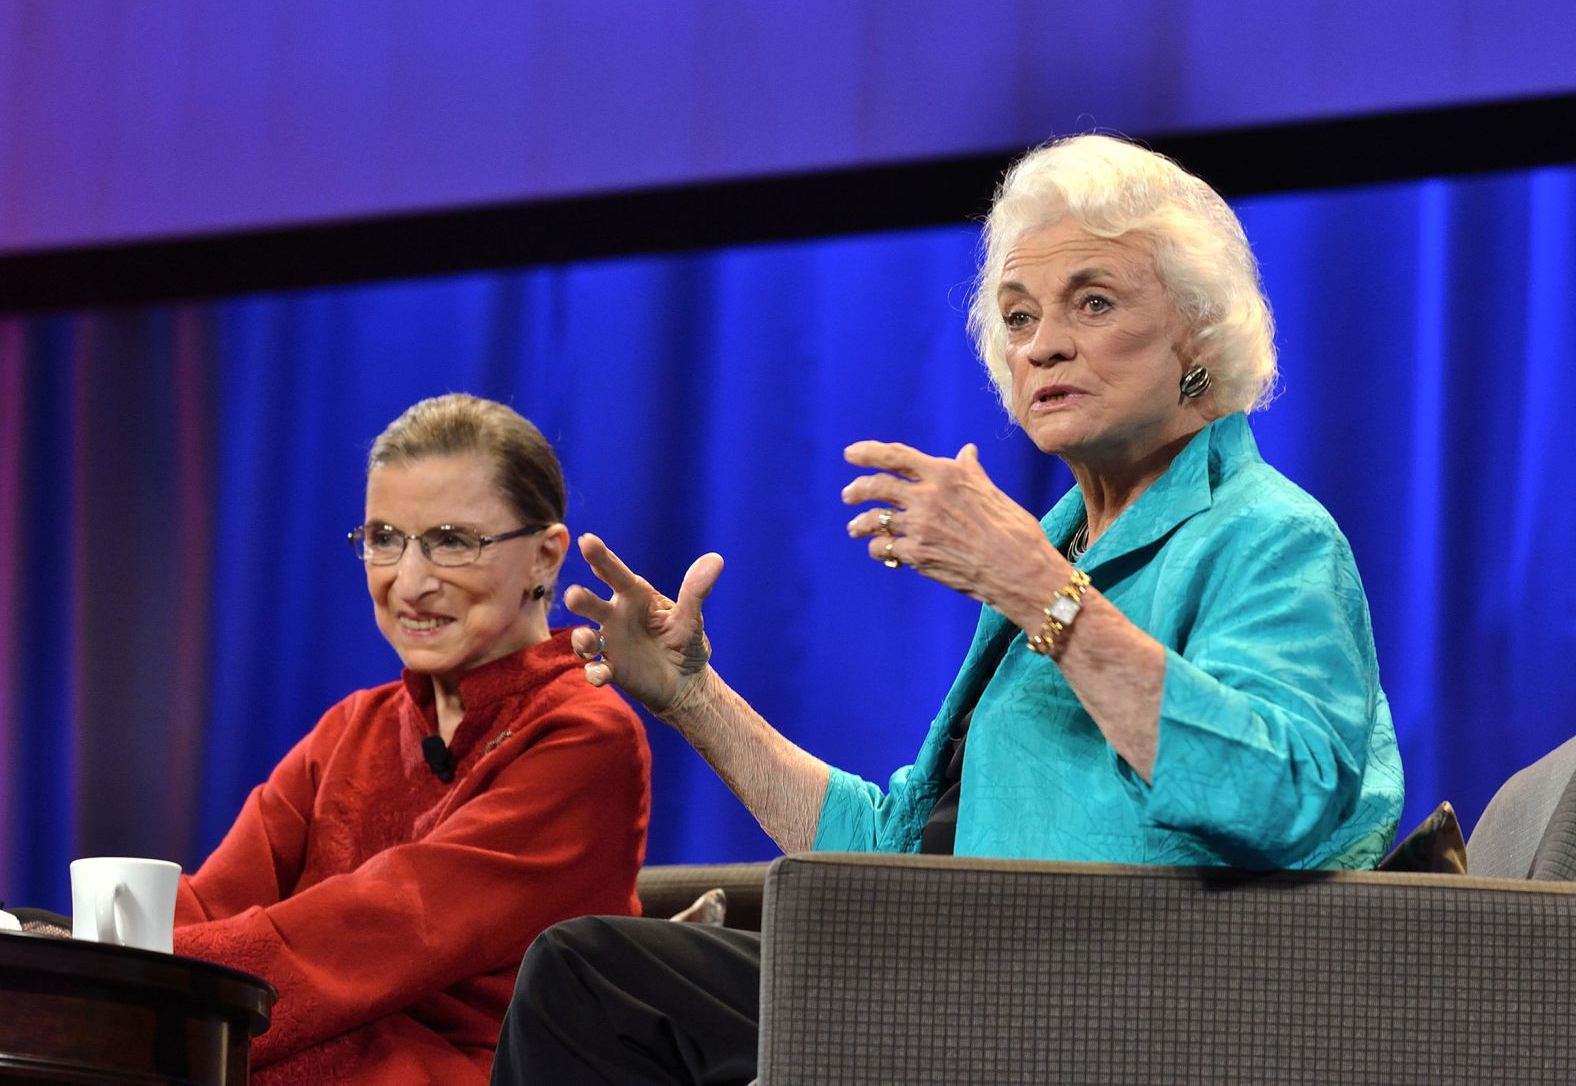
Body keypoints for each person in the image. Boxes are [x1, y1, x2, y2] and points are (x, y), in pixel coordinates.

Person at [489, 133, 1405, 1085]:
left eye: (1092, 301)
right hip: (972, 970)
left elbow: (1287, 804)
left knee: (594, 979)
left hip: (1118, 1002)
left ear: (1199, 337)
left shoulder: (1265, 533)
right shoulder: (1064, 549)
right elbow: (891, 855)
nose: (1042, 341)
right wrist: (691, 695)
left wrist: (1040, 590)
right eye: (1017, 315)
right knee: (605, 979)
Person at [173, 394, 651, 1084]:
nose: (410, 581)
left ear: (546, 557)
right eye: (384, 538)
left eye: (452, 540)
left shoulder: (587, 737)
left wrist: (170, 982)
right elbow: (213, 900)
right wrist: (89, 956)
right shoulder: (351, 728)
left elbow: (389, 921)